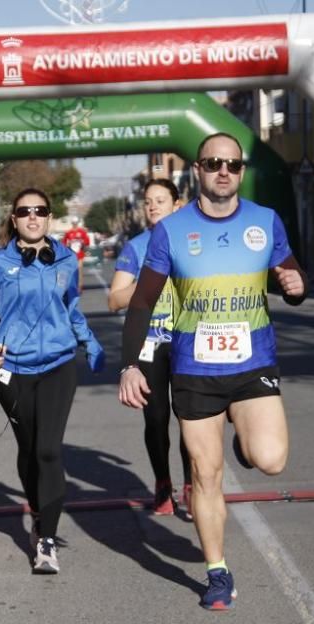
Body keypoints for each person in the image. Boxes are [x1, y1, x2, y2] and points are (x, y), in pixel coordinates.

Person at [118, 132, 307, 611]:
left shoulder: (265, 222)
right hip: (194, 369)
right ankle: (217, 572)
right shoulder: (171, 231)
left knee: (271, 459)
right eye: (212, 163)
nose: (223, 171)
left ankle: (245, 437)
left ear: (241, 172)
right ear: (198, 171)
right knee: (205, 472)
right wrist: (130, 365)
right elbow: (141, 301)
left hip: (252, 363)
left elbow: (291, 278)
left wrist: (296, 286)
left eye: (232, 164)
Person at [0, 187, 105, 575]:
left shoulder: (66, 259)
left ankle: (46, 539)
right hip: (12, 370)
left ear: (49, 217)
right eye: (24, 211)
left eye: (40, 210)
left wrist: (89, 341)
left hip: (59, 366)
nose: (33, 217)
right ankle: (36, 510)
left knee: (48, 450)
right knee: (29, 451)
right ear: (13, 220)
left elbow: (73, 308)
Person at [108, 178, 192, 517]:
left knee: (192, 418)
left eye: (160, 200)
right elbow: (114, 299)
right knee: (156, 419)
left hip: (187, 341)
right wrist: (146, 283)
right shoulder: (136, 247)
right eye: (147, 201)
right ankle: (162, 482)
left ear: (177, 205)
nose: (153, 206)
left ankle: (192, 485)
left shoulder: (190, 240)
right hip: (150, 345)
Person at [62, 218, 91, 293]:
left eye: (76, 223)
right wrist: (67, 245)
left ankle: (79, 286)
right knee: (72, 271)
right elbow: (64, 243)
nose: (75, 224)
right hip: (71, 255)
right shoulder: (68, 233)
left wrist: (83, 244)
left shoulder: (82, 232)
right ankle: (72, 286)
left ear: (77, 223)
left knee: (79, 269)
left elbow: (87, 242)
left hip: (80, 254)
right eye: (73, 223)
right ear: (72, 223)